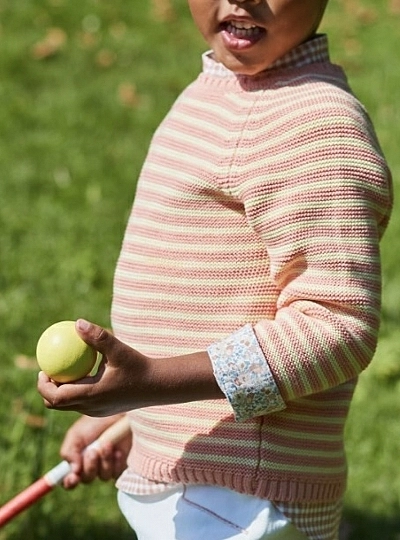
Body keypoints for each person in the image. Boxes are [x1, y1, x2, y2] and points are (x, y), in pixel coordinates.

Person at [37, 0, 393, 538]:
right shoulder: (217, 92)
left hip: (243, 501)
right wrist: (140, 417)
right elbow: (204, 313)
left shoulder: (317, 126)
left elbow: (336, 326)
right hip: (213, 487)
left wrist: (152, 383)